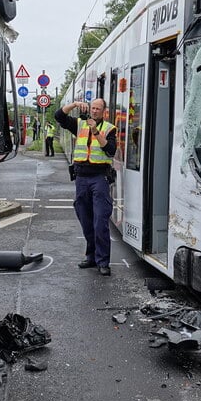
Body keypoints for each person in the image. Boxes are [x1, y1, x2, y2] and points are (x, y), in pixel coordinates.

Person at [55, 98, 116, 275]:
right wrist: (74, 105)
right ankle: (91, 257)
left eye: (98, 109)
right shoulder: (79, 124)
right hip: (81, 178)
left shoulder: (109, 128)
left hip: (99, 178)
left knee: (100, 221)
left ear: (104, 111)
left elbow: (110, 150)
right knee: (85, 219)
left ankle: (103, 261)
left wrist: (95, 131)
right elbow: (59, 116)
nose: (95, 111)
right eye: (93, 108)